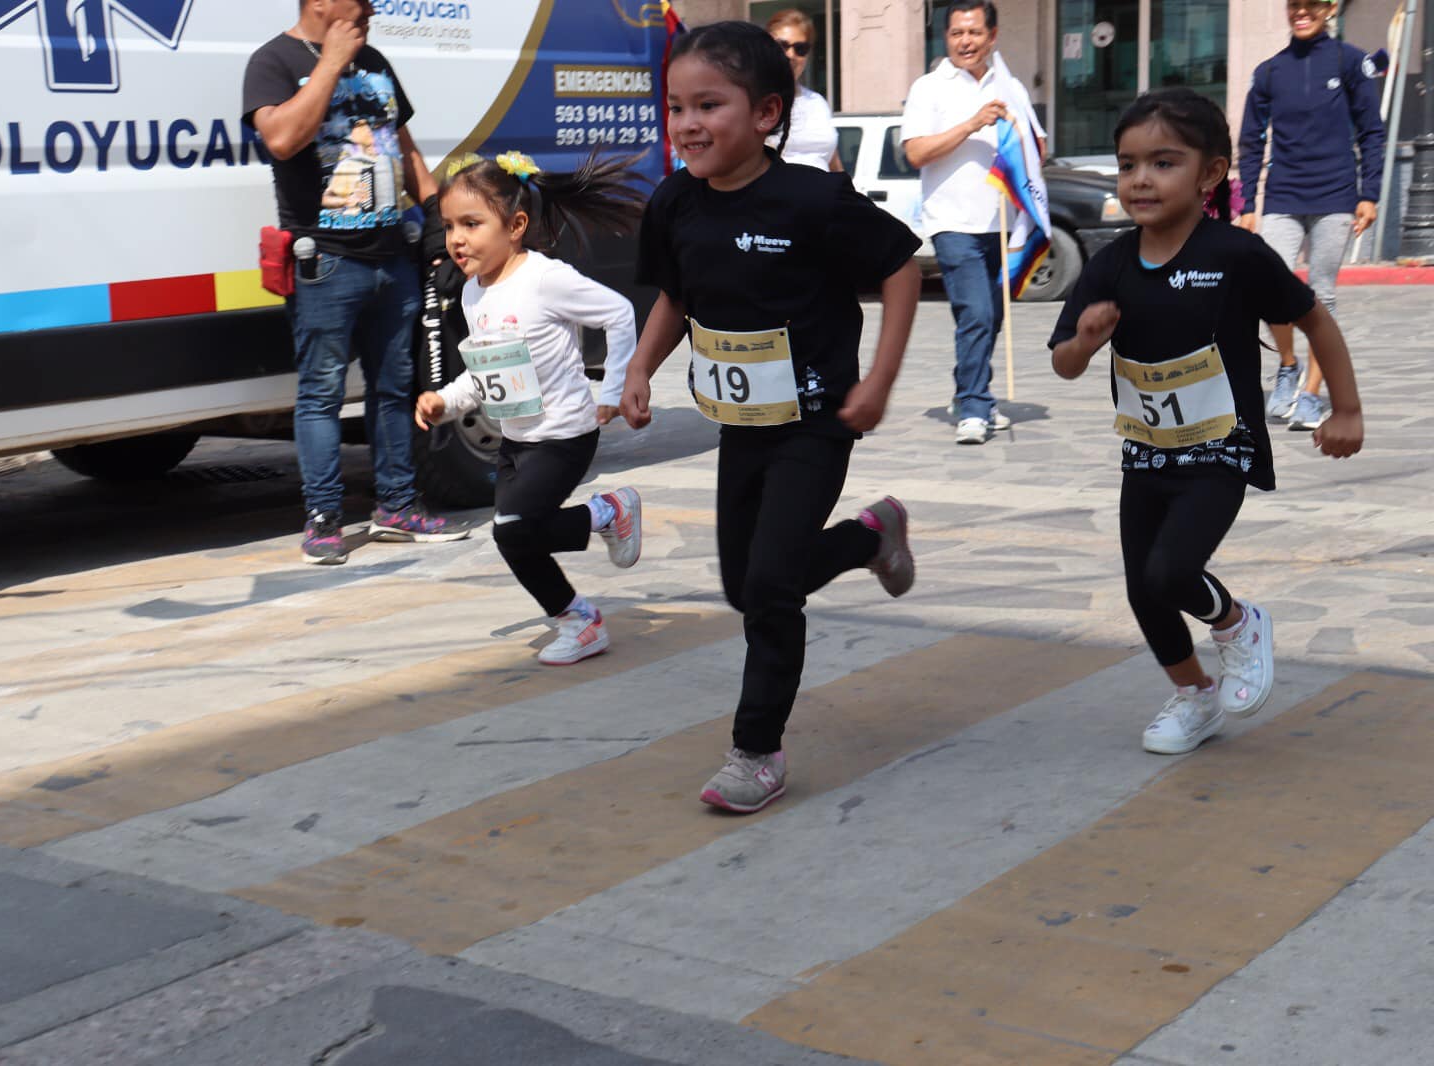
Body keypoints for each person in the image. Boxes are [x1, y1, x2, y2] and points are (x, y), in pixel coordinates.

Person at [621, 21, 923, 814]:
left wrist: (880, 380)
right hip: (743, 426)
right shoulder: (675, 202)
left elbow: (899, 267)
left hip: (819, 419)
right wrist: (640, 368)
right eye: (676, 106)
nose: (687, 123)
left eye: (708, 105)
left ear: (765, 114)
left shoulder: (813, 198)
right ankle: (870, 535)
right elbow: (677, 299)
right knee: (743, 582)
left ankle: (757, 751)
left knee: (768, 590)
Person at [1050, 88, 1364, 756]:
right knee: (1144, 590)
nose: (1140, 179)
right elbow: (1064, 364)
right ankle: (1195, 696)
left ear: (1210, 173)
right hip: (1147, 453)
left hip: (1222, 447)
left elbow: (1314, 318)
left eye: (1163, 163)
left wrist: (1346, 408)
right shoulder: (1109, 262)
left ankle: (1240, 624)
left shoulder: (1234, 255)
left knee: (1170, 571)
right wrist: (1085, 340)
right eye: (1128, 163)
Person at [243, 0, 466, 565]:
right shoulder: (272, 61)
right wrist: (331, 62)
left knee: (392, 389)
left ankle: (397, 505)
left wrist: (440, 223)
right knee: (320, 394)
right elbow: (282, 140)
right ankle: (323, 519)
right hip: (327, 262)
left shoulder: (375, 60)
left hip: (392, 258)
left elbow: (406, 149)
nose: (369, 7)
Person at [415, 151, 646, 666]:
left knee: (512, 530)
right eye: (450, 225)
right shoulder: (474, 294)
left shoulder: (545, 278)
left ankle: (607, 514)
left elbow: (618, 312)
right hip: (517, 439)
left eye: (472, 224)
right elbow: (484, 371)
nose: (456, 238)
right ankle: (578, 621)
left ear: (515, 225)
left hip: (564, 435)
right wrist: (445, 403)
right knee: (517, 541)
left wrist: (613, 388)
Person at [901, 0, 1044, 445]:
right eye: (957, 33)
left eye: (975, 33)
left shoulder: (1010, 85)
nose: (966, 41)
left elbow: (1035, 140)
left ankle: (968, 395)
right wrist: (972, 124)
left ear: (992, 36)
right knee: (976, 313)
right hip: (952, 222)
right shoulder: (929, 87)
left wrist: (1017, 136)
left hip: (1001, 221)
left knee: (992, 317)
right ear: (946, 38)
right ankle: (975, 404)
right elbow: (916, 152)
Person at [1237, 0, 1384, 432]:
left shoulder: (1351, 61)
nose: (1302, 12)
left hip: (1336, 196)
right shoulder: (1268, 72)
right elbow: (1250, 140)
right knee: (1269, 288)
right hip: (1282, 196)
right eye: (1295, 5)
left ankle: (1312, 395)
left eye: (1312, 5)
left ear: (1329, 8)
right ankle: (1287, 367)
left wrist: (1369, 194)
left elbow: (1371, 132)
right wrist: (1247, 205)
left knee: (1321, 297)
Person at [765, 9, 842, 172]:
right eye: (782, 45)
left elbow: (832, 161)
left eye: (800, 48)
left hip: (824, 195)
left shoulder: (817, 102)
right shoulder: (751, 100)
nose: (791, 54)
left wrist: (850, 195)